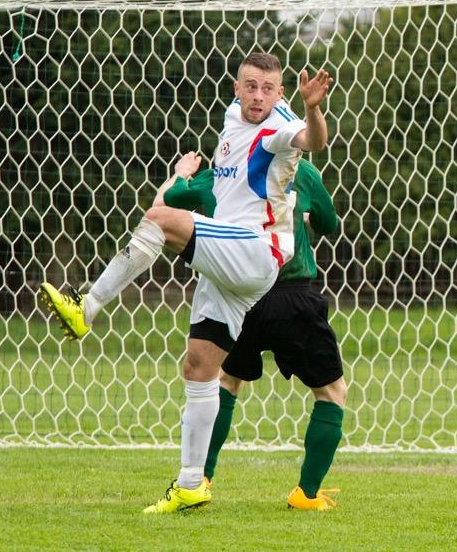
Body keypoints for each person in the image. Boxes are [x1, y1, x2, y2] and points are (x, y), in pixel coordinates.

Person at [39, 52, 332, 513]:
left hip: (257, 252)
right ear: (236, 89)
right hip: (232, 263)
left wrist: (313, 108)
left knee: (160, 218)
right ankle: (192, 483)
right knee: (199, 366)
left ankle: (86, 309)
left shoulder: (281, 128)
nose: (258, 96)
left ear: (280, 93)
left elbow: (311, 140)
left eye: (268, 89)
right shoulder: (232, 117)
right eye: (250, 86)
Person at [157, 152, 347, 511]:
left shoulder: (218, 176)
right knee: (332, 392)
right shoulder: (300, 170)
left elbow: (167, 201)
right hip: (292, 296)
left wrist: (180, 174)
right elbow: (329, 223)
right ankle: (306, 495)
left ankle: (202, 478)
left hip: (239, 296)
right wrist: (302, 214)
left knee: (226, 382)